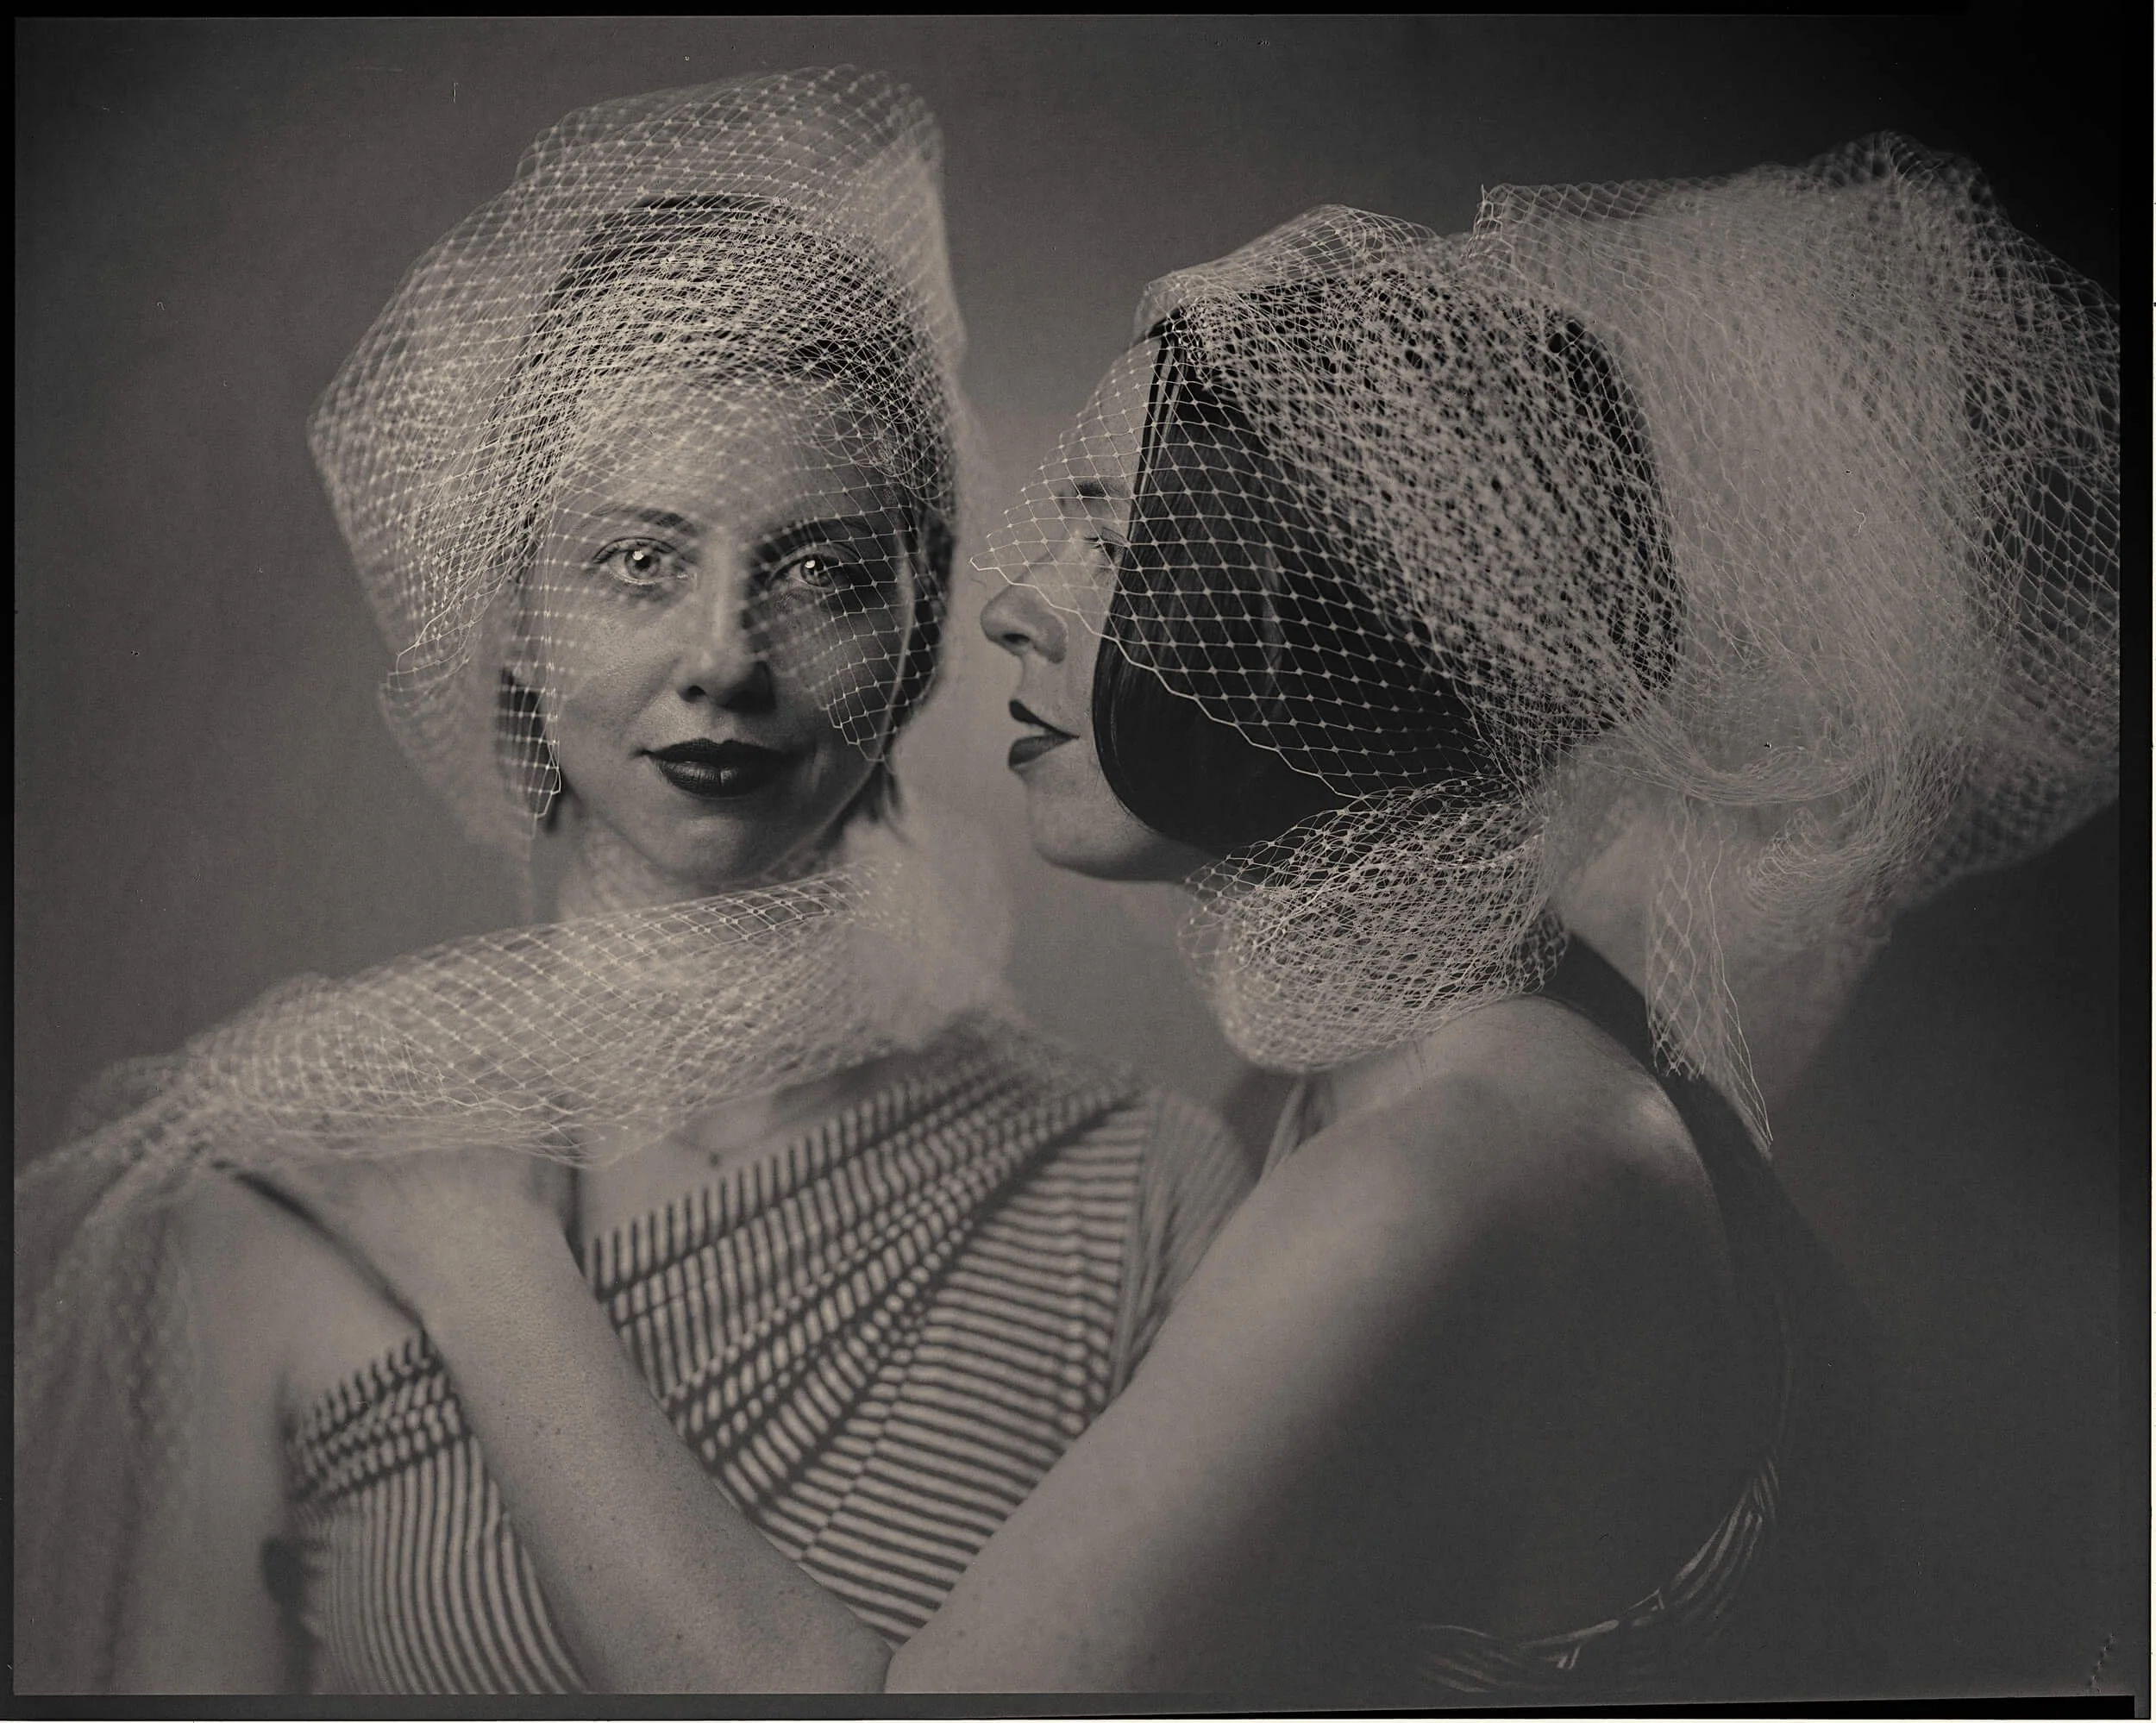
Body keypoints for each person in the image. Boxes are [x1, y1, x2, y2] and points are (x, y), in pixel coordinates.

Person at [291, 134, 2111, 1702]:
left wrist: (478, 1255)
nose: (1013, 605)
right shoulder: (1389, 1075)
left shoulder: (1460, 1165)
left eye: (1109, 528)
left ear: (1310, 611)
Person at [13, 68, 1250, 1695]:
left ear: (924, 620)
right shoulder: (277, 1181)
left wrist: (483, 1261)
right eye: (638, 561)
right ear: (516, 614)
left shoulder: (1143, 1185)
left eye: (818, 572)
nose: (722, 657)